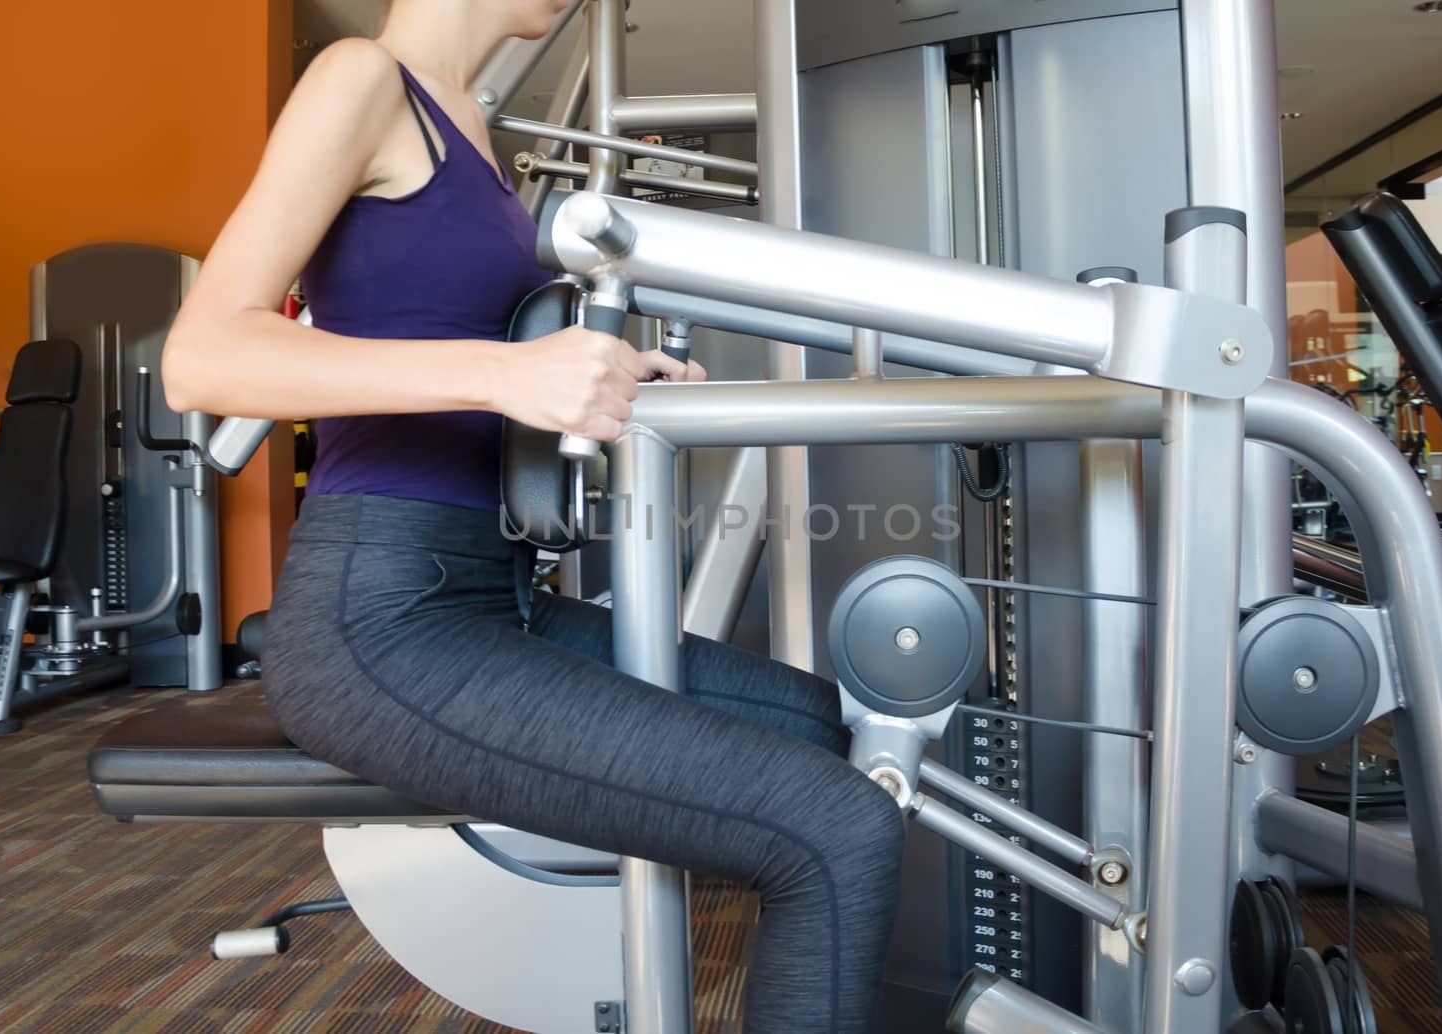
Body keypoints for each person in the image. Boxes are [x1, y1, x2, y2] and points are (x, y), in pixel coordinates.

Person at [162, 1, 905, 1030]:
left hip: (492, 593)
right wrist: (508, 370)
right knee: (836, 828)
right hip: (379, 622)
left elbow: (465, 347)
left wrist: (613, 380)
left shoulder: (472, 126)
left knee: (824, 726)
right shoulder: (361, 81)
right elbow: (202, 360)